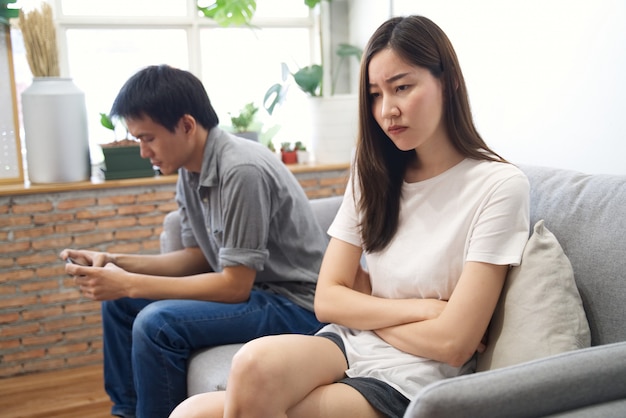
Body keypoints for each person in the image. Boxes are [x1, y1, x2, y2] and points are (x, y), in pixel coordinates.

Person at [170, 14, 531, 418]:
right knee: (239, 373)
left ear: (449, 82)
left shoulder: (498, 186)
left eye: (402, 87)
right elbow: (327, 299)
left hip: (417, 375)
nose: (387, 110)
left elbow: (454, 343)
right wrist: (423, 309)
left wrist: (367, 308)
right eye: (375, 95)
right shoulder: (373, 174)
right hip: (348, 343)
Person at [60, 65, 329, 418]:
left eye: (147, 138)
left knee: (157, 322)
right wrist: (114, 261)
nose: (143, 152)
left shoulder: (240, 170)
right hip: (258, 292)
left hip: (296, 304)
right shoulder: (190, 170)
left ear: (187, 125)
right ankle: (125, 413)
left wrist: (129, 284)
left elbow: (235, 286)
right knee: (119, 305)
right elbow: (195, 257)